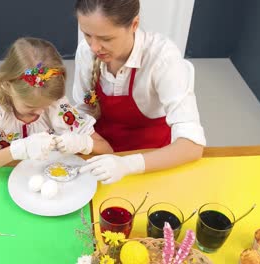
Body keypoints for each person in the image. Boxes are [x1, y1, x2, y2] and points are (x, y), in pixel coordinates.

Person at [73, 0, 206, 184]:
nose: (94, 47)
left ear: (134, 24)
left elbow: (192, 146)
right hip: (101, 151)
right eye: (87, 34)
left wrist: (127, 165)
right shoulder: (86, 52)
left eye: (106, 39)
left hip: (148, 159)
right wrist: (81, 141)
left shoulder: (162, 58)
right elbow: (84, 111)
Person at [0, 37, 113, 182]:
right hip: (1, 180)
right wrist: (16, 150)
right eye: (30, 107)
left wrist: (83, 143)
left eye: (46, 106)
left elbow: (107, 150)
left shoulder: (56, 106)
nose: (40, 113)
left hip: (43, 179)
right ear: (7, 86)